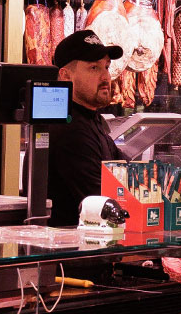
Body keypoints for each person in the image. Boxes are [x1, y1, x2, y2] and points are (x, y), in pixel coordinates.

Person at [43, 30, 126, 227]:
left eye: (106, 67)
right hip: (71, 251)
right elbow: (104, 202)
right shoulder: (69, 129)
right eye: (94, 68)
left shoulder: (90, 120)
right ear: (65, 76)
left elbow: (126, 171)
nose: (106, 77)